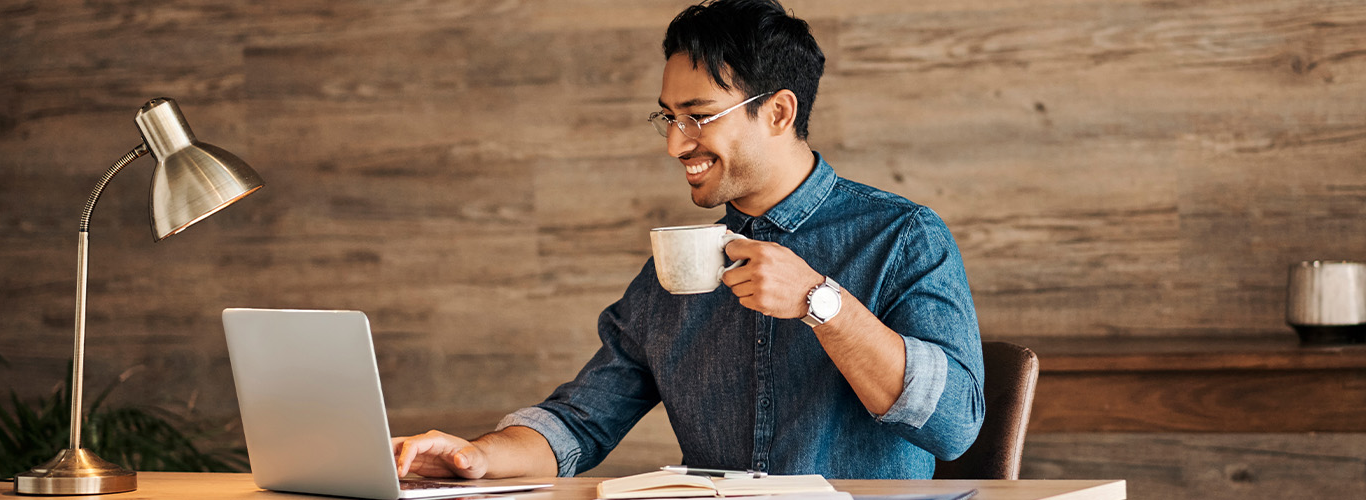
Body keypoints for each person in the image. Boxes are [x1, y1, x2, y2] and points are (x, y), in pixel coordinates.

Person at [393, 0, 983, 480]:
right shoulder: (679, 264)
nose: (675, 145)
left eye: (697, 116)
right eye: (668, 117)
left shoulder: (902, 236)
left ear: (778, 112)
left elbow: (954, 426)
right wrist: (476, 456)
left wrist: (819, 302)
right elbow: (582, 422)